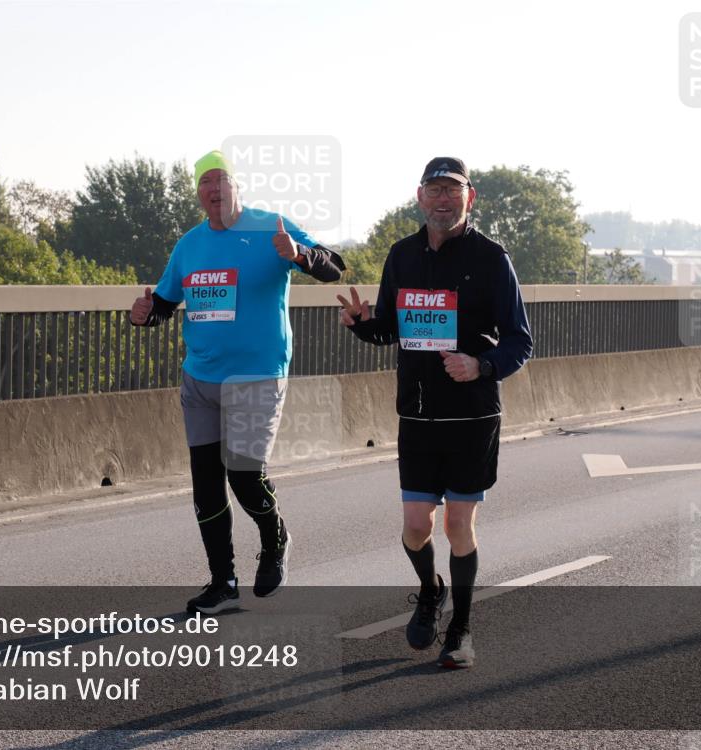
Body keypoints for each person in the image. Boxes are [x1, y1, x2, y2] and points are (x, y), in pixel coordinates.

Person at [131, 149, 345, 614]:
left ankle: (275, 537)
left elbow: (333, 266)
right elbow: (165, 303)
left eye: (220, 180)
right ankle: (222, 581)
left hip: (257, 376)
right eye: (204, 183)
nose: (213, 189)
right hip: (200, 378)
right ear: (198, 194)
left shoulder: (271, 227)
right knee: (206, 483)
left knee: (245, 475)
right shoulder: (189, 245)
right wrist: (143, 315)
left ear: (236, 186)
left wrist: (299, 254)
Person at [338, 157, 532, 668]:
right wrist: (361, 324)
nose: (443, 200)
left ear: (470, 197)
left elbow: (520, 341)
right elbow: (391, 328)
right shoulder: (402, 255)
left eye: (453, 190)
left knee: (457, 526)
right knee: (415, 526)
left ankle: (461, 631)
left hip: (471, 416)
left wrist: (481, 365)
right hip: (418, 414)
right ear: (420, 196)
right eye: (435, 190)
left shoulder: (492, 259)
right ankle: (430, 590)